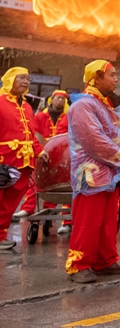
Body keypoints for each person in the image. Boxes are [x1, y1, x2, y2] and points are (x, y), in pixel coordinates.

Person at [65, 60, 120, 282]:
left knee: (107, 221)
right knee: (88, 220)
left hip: (110, 172)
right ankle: (78, 264)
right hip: (91, 173)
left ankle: (104, 261)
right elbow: (94, 141)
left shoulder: (105, 104)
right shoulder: (83, 105)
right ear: (96, 77)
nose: (117, 80)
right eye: (112, 75)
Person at [0, 68, 47, 250]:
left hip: (24, 162)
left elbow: (31, 135)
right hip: (4, 160)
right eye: (21, 78)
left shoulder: (27, 106)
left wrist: (39, 151)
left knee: (10, 202)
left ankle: (1, 235)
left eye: (28, 79)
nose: (26, 82)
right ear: (10, 79)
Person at [17, 90, 69, 222]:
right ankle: (27, 208)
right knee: (36, 179)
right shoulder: (40, 115)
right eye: (58, 98)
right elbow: (34, 132)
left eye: (63, 99)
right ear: (51, 99)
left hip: (62, 153)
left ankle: (54, 210)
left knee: (62, 182)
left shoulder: (68, 116)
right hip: (42, 150)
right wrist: (39, 148)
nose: (60, 101)